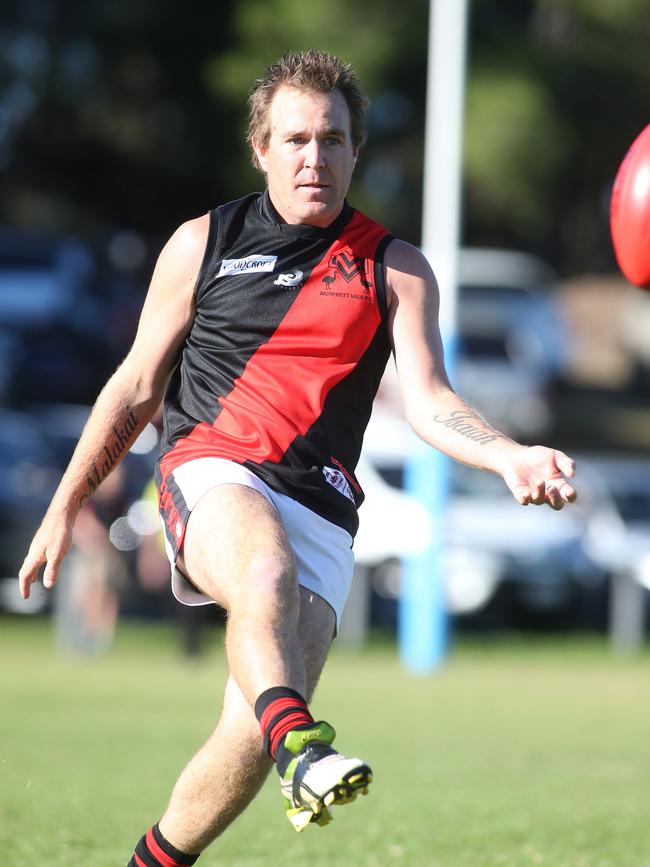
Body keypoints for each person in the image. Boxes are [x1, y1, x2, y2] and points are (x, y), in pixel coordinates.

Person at [19, 49, 577, 865]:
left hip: (320, 504)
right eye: (295, 140)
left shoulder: (396, 268)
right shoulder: (202, 242)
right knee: (264, 575)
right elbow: (135, 385)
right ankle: (307, 750)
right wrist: (65, 505)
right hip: (212, 468)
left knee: (249, 736)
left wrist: (510, 455)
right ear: (261, 148)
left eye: (332, 139)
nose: (314, 157)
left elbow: (430, 400)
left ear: (356, 150)